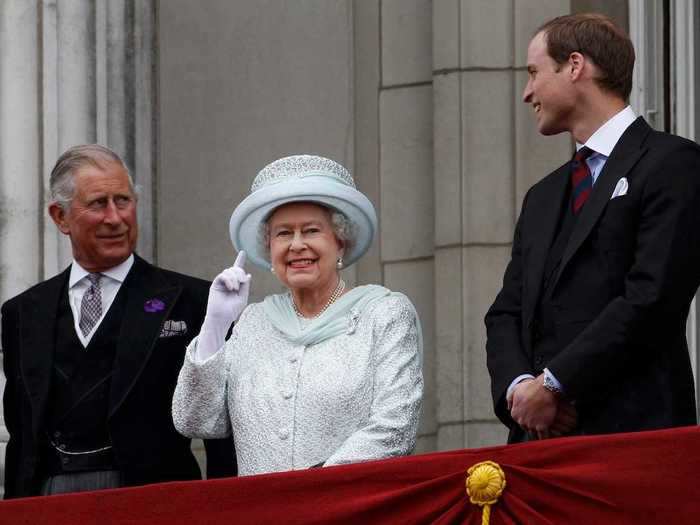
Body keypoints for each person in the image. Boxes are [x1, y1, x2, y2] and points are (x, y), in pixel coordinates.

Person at [485, 13, 700, 443]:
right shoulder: (542, 196)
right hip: (540, 443)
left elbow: (652, 297)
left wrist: (556, 384)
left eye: (534, 73)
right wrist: (521, 393)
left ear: (576, 66)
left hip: (636, 437)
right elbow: (506, 312)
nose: (528, 93)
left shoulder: (673, 163)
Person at [1, 144, 236, 498]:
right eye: (98, 204)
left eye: (123, 201)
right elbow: (22, 437)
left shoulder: (194, 302)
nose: (115, 218)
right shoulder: (23, 312)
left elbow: (221, 431)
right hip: (51, 502)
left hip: (155, 502)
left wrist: (226, 510)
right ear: (60, 217)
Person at [172, 154, 423, 475]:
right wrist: (215, 326)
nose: (297, 245)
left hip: (349, 508)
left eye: (312, 230)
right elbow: (195, 418)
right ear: (269, 250)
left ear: (340, 242)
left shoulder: (384, 313)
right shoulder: (252, 323)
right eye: (283, 233)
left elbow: (396, 427)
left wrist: (307, 492)